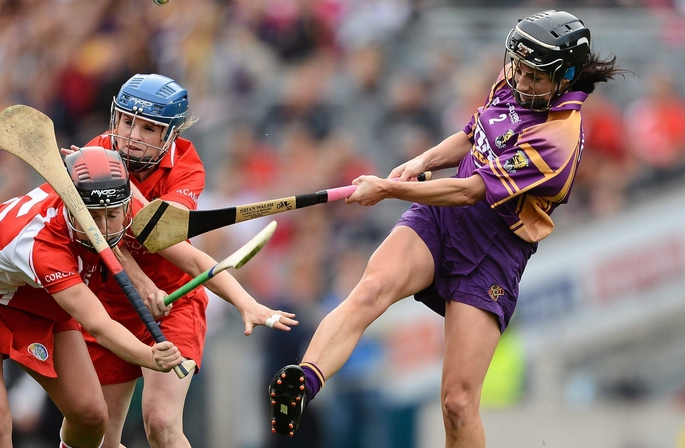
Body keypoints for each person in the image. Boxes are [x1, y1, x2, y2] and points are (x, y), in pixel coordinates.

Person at [267, 10, 626, 447]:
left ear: (564, 77)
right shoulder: (515, 79)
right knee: (370, 290)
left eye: (535, 77)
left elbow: (470, 191)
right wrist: (422, 162)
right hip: (441, 221)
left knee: (457, 403)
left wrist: (388, 190)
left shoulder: (558, 140)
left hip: (494, 251)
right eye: (519, 68)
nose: (521, 81)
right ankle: (306, 380)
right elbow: (474, 133)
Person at [77, 73, 298, 448]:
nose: (132, 135)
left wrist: (246, 302)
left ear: (169, 135)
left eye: (148, 128)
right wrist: (142, 285)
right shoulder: (95, 153)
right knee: (102, 435)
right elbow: (100, 238)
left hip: (174, 302)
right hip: (109, 306)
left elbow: (164, 239)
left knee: (161, 425)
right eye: (127, 121)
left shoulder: (187, 169)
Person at [0, 146, 185, 448]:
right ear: (70, 206)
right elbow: (98, 324)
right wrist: (148, 356)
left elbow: (186, 257)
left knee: (90, 416)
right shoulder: (43, 244)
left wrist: (241, 298)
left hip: (34, 295)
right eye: (92, 217)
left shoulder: (96, 197)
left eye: (112, 215)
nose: (102, 229)